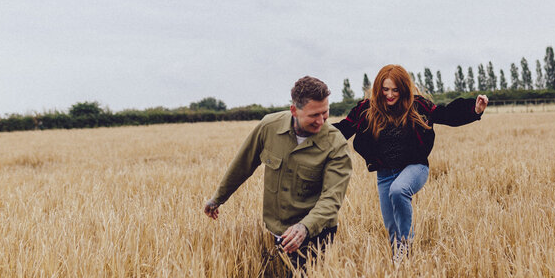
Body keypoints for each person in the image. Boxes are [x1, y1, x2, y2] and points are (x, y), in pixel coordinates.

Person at [334, 64, 488, 258]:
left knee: (399, 191)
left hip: (415, 167)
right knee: (392, 228)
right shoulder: (366, 109)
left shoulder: (417, 106)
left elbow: (446, 114)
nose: (390, 95)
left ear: (404, 89)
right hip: (384, 174)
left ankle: (406, 244)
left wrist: (474, 110)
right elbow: (344, 129)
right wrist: (315, 130)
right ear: (378, 89)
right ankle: (402, 263)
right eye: (385, 89)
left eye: (395, 90)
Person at [203, 76, 352, 261]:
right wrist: (218, 198)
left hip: (316, 230)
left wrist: (305, 227)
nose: (321, 121)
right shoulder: (269, 127)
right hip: (279, 229)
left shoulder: (336, 144)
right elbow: (243, 164)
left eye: (325, 113)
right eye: (314, 115)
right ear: (294, 110)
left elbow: (332, 198)